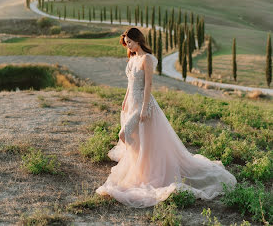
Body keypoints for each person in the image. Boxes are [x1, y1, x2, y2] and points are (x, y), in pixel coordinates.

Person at [96, 27, 237, 208]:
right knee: (138, 139)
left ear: (138, 40)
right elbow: (130, 83)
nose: (128, 45)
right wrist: (124, 101)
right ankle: (142, 166)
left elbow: (148, 85)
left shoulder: (146, 59)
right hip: (131, 103)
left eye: (130, 42)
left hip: (142, 105)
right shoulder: (132, 58)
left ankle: (142, 168)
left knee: (124, 135)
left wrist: (144, 108)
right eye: (127, 43)